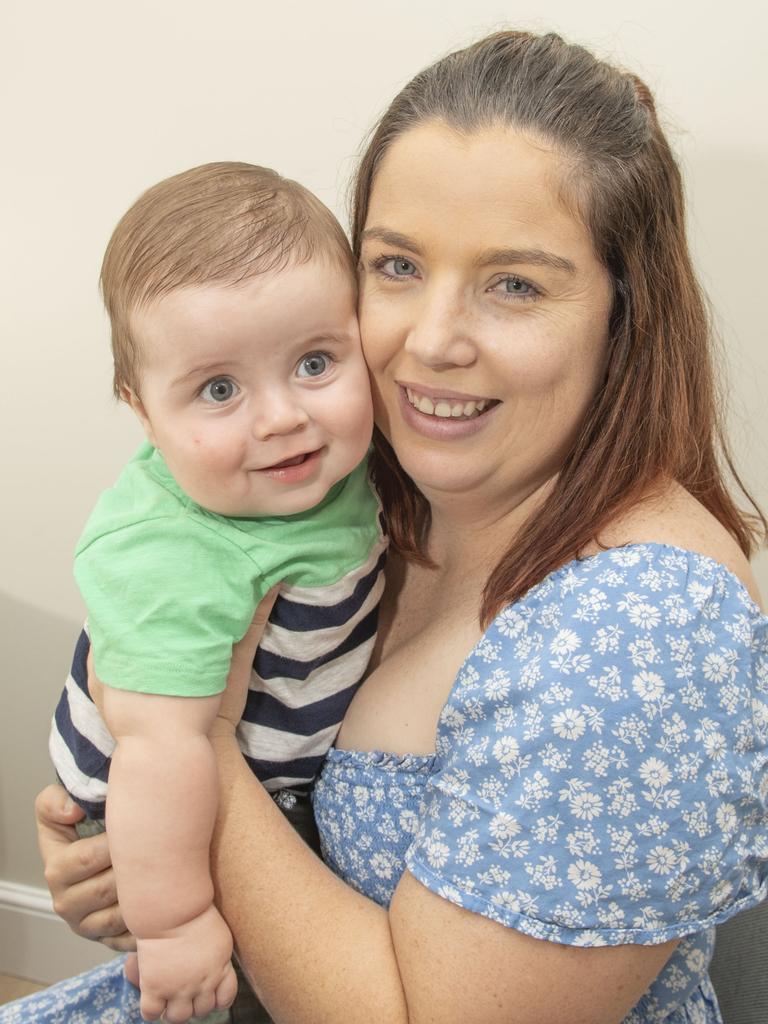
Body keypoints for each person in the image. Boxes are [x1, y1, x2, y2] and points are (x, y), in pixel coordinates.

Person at [12, 28, 768, 1024]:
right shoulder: (369, 476)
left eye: (514, 285)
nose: (433, 340)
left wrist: (191, 755)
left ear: (622, 315)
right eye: (398, 266)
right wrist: (115, 843)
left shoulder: (635, 626)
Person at [46, 162, 384, 1022]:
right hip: (154, 814)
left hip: (260, 777)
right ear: (142, 410)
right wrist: (177, 926)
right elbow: (157, 756)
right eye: (220, 389)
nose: (280, 417)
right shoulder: (173, 554)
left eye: (315, 361)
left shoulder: (329, 468)